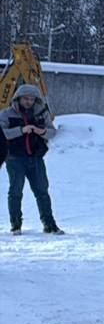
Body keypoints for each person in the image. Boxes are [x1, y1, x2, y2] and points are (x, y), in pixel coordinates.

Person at [2, 84, 61, 234]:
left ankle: (50, 225)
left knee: (42, 191)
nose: (29, 102)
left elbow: (52, 132)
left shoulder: (41, 113)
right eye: (26, 99)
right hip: (14, 158)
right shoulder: (6, 114)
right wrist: (21, 130)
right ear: (18, 98)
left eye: (32, 99)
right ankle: (16, 225)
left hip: (36, 158)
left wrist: (42, 131)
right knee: (16, 192)